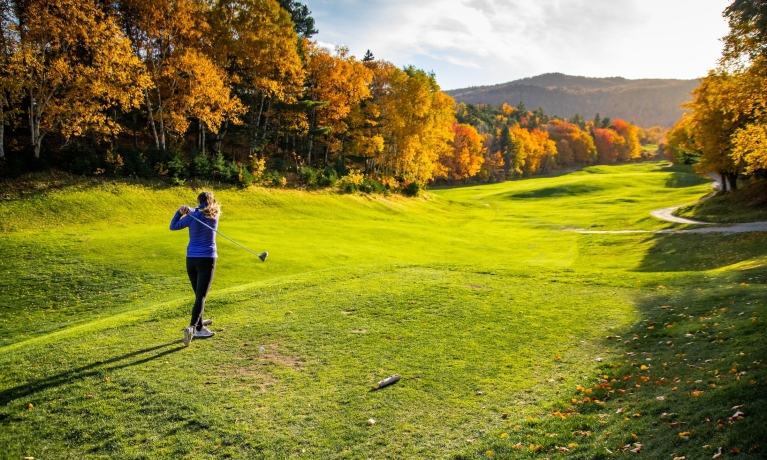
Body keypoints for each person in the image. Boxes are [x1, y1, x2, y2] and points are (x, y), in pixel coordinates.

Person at [170, 191, 221, 346]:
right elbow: (208, 210)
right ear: (211, 201)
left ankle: (199, 323)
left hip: (191, 259)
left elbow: (173, 226)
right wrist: (191, 210)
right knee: (201, 297)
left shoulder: (192, 216)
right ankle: (195, 328)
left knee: (199, 295)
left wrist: (180, 211)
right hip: (207, 259)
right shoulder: (213, 215)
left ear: (198, 201)